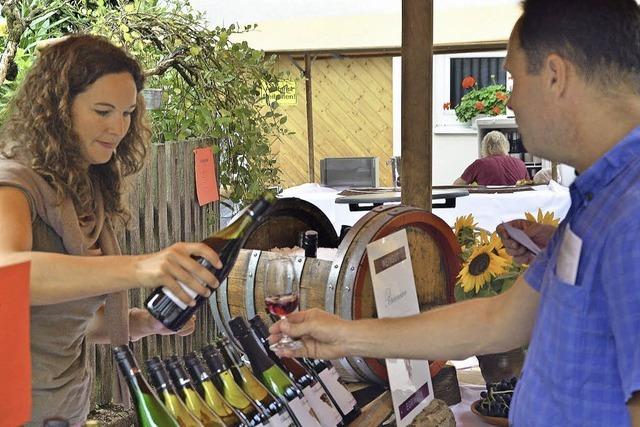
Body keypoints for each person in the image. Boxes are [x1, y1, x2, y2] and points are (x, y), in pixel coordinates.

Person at [270, 1, 640, 425]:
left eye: (514, 78)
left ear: (555, 75)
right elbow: (497, 319)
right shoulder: (599, 200)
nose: (512, 100)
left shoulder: (631, 214)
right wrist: (342, 335)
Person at [0, 35, 222, 425]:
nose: (118, 128)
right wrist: (141, 267)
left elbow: (66, 321)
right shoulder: (13, 183)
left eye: (128, 113)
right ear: (57, 109)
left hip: (64, 408)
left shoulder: (85, 190)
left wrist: (142, 323)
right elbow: (8, 273)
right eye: (103, 111)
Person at [453, 130, 529, 186]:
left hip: (488, 206)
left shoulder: (479, 164)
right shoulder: (521, 163)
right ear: (506, 145)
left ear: (487, 147)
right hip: (516, 206)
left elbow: (456, 185)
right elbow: (529, 187)